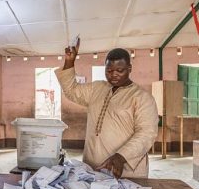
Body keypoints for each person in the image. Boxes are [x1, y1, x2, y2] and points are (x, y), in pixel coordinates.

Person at [55, 38, 158, 179]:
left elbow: (147, 134)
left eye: (120, 70)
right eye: (109, 71)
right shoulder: (97, 88)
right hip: (93, 167)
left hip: (125, 170)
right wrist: (69, 61)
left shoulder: (142, 97)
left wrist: (121, 157)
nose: (113, 74)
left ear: (130, 69)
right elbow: (72, 91)